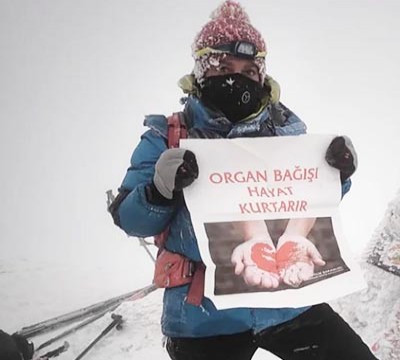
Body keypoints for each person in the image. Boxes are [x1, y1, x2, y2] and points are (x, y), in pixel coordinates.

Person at [108, 1, 377, 359]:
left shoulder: (285, 131)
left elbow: (308, 201)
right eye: (223, 67)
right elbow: (131, 219)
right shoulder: (166, 136)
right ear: (202, 71)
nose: (237, 79)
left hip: (288, 301)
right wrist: (159, 190)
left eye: (249, 70)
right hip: (204, 317)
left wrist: (338, 174)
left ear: (262, 75)